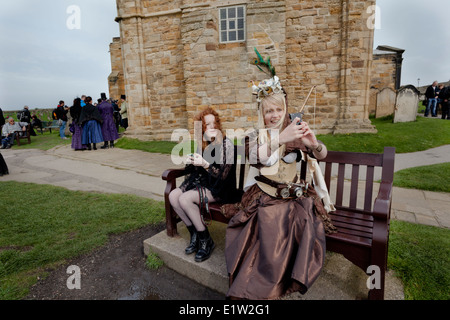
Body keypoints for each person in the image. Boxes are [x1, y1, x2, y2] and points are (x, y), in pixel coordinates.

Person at [223, 67, 335, 299]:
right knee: (271, 223)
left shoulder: (296, 132)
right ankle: (262, 286)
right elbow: (256, 157)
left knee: (302, 221)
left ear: (285, 110)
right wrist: (280, 139)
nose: (274, 115)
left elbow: (322, 154)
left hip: (296, 196)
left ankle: (289, 278)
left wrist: (313, 144)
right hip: (265, 196)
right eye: (268, 111)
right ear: (261, 114)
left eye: (278, 110)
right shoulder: (255, 136)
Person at [168, 107, 240, 263]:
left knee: (185, 199)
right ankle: (195, 234)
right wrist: (192, 161)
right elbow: (196, 171)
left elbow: (223, 177)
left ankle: (206, 240)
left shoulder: (227, 146)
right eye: (207, 125)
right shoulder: (204, 143)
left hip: (222, 188)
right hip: (205, 184)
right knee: (174, 196)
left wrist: (206, 164)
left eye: (214, 123)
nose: (212, 127)